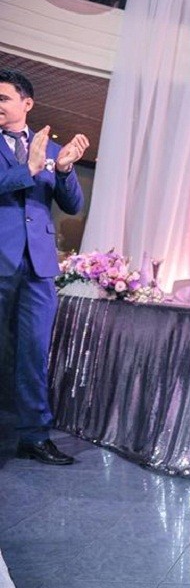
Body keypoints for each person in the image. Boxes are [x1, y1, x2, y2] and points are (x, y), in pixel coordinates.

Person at [0, 69, 89, 465]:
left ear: (27, 103)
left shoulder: (51, 149)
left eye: (3, 98)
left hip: (39, 268)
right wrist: (30, 169)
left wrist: (64, 169)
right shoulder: (37, 157)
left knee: (34, 352)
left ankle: (34, 437)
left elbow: (73, 205)